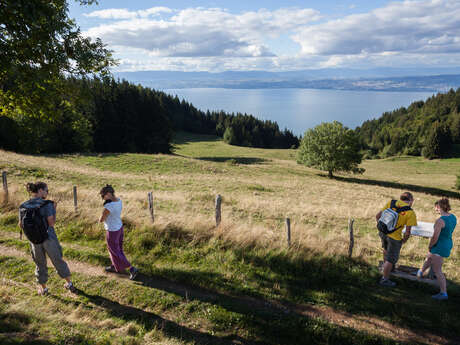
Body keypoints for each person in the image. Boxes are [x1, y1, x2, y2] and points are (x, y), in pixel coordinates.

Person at [18, 182, 76, 295]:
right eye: (46, 190)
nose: (47, 193)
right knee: (57, 260)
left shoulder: (23, 205)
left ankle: (44, 289)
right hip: (48, 238)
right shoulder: (47, 204)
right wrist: (54, 210)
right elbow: (51, 222)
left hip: (34, 240)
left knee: (40, 264)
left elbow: (20, 224)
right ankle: (69, 283)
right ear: (40, 190)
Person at [416, 198, 456, 300]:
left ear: (438, 207)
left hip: (439, 245)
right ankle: (420, 272)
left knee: (438, 270)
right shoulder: (453, 217)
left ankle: (443, 293)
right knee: (429, 257)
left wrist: (430, 245)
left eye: (436, 208)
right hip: (448, 242)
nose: (435, 210)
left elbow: (435, 237)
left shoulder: (440, 220)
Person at [376, 192, 417, 287]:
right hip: (395, 238)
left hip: (383, 233)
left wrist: (382, 228)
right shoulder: (410, 213)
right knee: (391, 259)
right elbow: (407, 232)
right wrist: (404, 240)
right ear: (411, 200)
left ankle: (386, 270)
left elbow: (377, 216)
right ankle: (384, 280)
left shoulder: (391, 203)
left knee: (386, 250)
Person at [99, 185, 138, 280]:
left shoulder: (109, 206)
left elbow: (101, 219)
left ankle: (132, 269)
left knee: (114, 251)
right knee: (118, 249)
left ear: (108, 194)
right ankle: (115, 266)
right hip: (119, 228)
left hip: (112, 231)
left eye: (103, 196)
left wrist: (101, 215)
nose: (102, 198)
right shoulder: (119, 200)